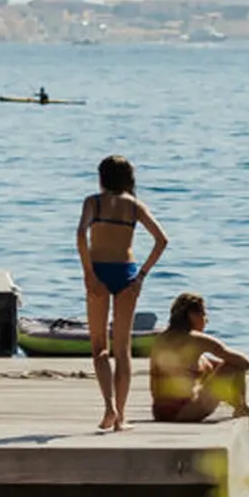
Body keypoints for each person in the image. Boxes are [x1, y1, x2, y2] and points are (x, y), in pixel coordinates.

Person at [75, 153, 166, 433]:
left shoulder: (94, 202)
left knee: (99, 346)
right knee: (123, 349)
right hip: (127, 273)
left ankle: (109, 408)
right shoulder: (134, 206)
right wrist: (141, 276)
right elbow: (162, 240)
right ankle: (122, 417)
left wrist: (89, 273)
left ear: (102, 177)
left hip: (99, 270)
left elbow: (80, 234)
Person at [146, 295, 249, 426]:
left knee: (215, 368)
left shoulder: (160, 338)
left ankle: (239, 405)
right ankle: (243, 407)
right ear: (192, 315)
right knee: (234, 366)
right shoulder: (197, 340)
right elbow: (245, 363)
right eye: (204, 314)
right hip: (185, 411)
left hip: (159, 412)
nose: (206, 320)